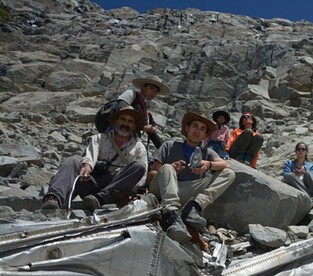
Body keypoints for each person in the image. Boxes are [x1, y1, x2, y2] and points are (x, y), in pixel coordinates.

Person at [147, 111, 235, 243]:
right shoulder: (169, 146)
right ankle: (171, 214)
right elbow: (151, 176)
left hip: (186, 192)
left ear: (205, 135)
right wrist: (171, 169)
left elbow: (226, 164)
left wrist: (208, 164)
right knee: (167, 168)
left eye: (203, 129)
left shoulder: (207, 153)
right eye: (194, 126)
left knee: (229, 173)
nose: (197, 131)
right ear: (187, 128)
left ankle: (193, 207)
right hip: (162, 191)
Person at [41, 106, 147, 211]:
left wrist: (128, 191)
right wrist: (87, 167)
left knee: (139, 166)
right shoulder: (100, 138)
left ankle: (100, 199)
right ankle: (54, 198)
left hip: (115, 190)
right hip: (92, 181)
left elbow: (141, 178)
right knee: (74, 160)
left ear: (134, 126)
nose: (126, 124)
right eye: (122, 119)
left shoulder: (139, 147)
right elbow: (90, 156)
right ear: (116, 121)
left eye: (130, 121)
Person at [117, 74, 171, 150]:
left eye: (156, 91)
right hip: (115, 137)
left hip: (129, 145)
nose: (153, 93)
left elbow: (151, 134)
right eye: (151, 88)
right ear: (143, 87)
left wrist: (166, 151)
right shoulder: (130, 94)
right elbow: (121, 111)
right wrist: (142, 127)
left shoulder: (145, 112)